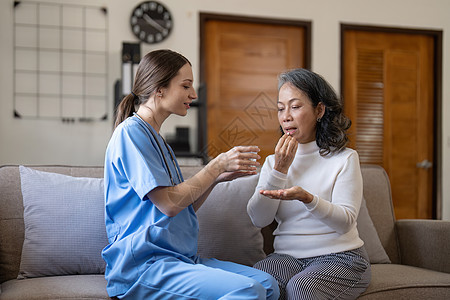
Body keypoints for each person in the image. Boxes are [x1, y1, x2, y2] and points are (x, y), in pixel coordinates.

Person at [102, 49, 279, 300]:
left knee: (268, 283)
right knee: (247, 291)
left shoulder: (159, 141)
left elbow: (182, 207)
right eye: (186, 86)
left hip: (180, 259)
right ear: (159, 88)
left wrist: (217, 179)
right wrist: (215, 166)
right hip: (145, 268)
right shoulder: (130, 134)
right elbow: (170, 204)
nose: (193, 95)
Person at [247, 68, 371, 300]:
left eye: (295, 107)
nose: (286, 116)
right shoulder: (274, 162)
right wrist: (279, 171)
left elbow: (345, 222)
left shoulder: (344, 158)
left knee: (303, 288)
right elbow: (258, 219)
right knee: (255, 283)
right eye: (280, 109)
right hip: (287, 257)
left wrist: (308, 199)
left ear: (319, 110)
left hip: (341, 256)